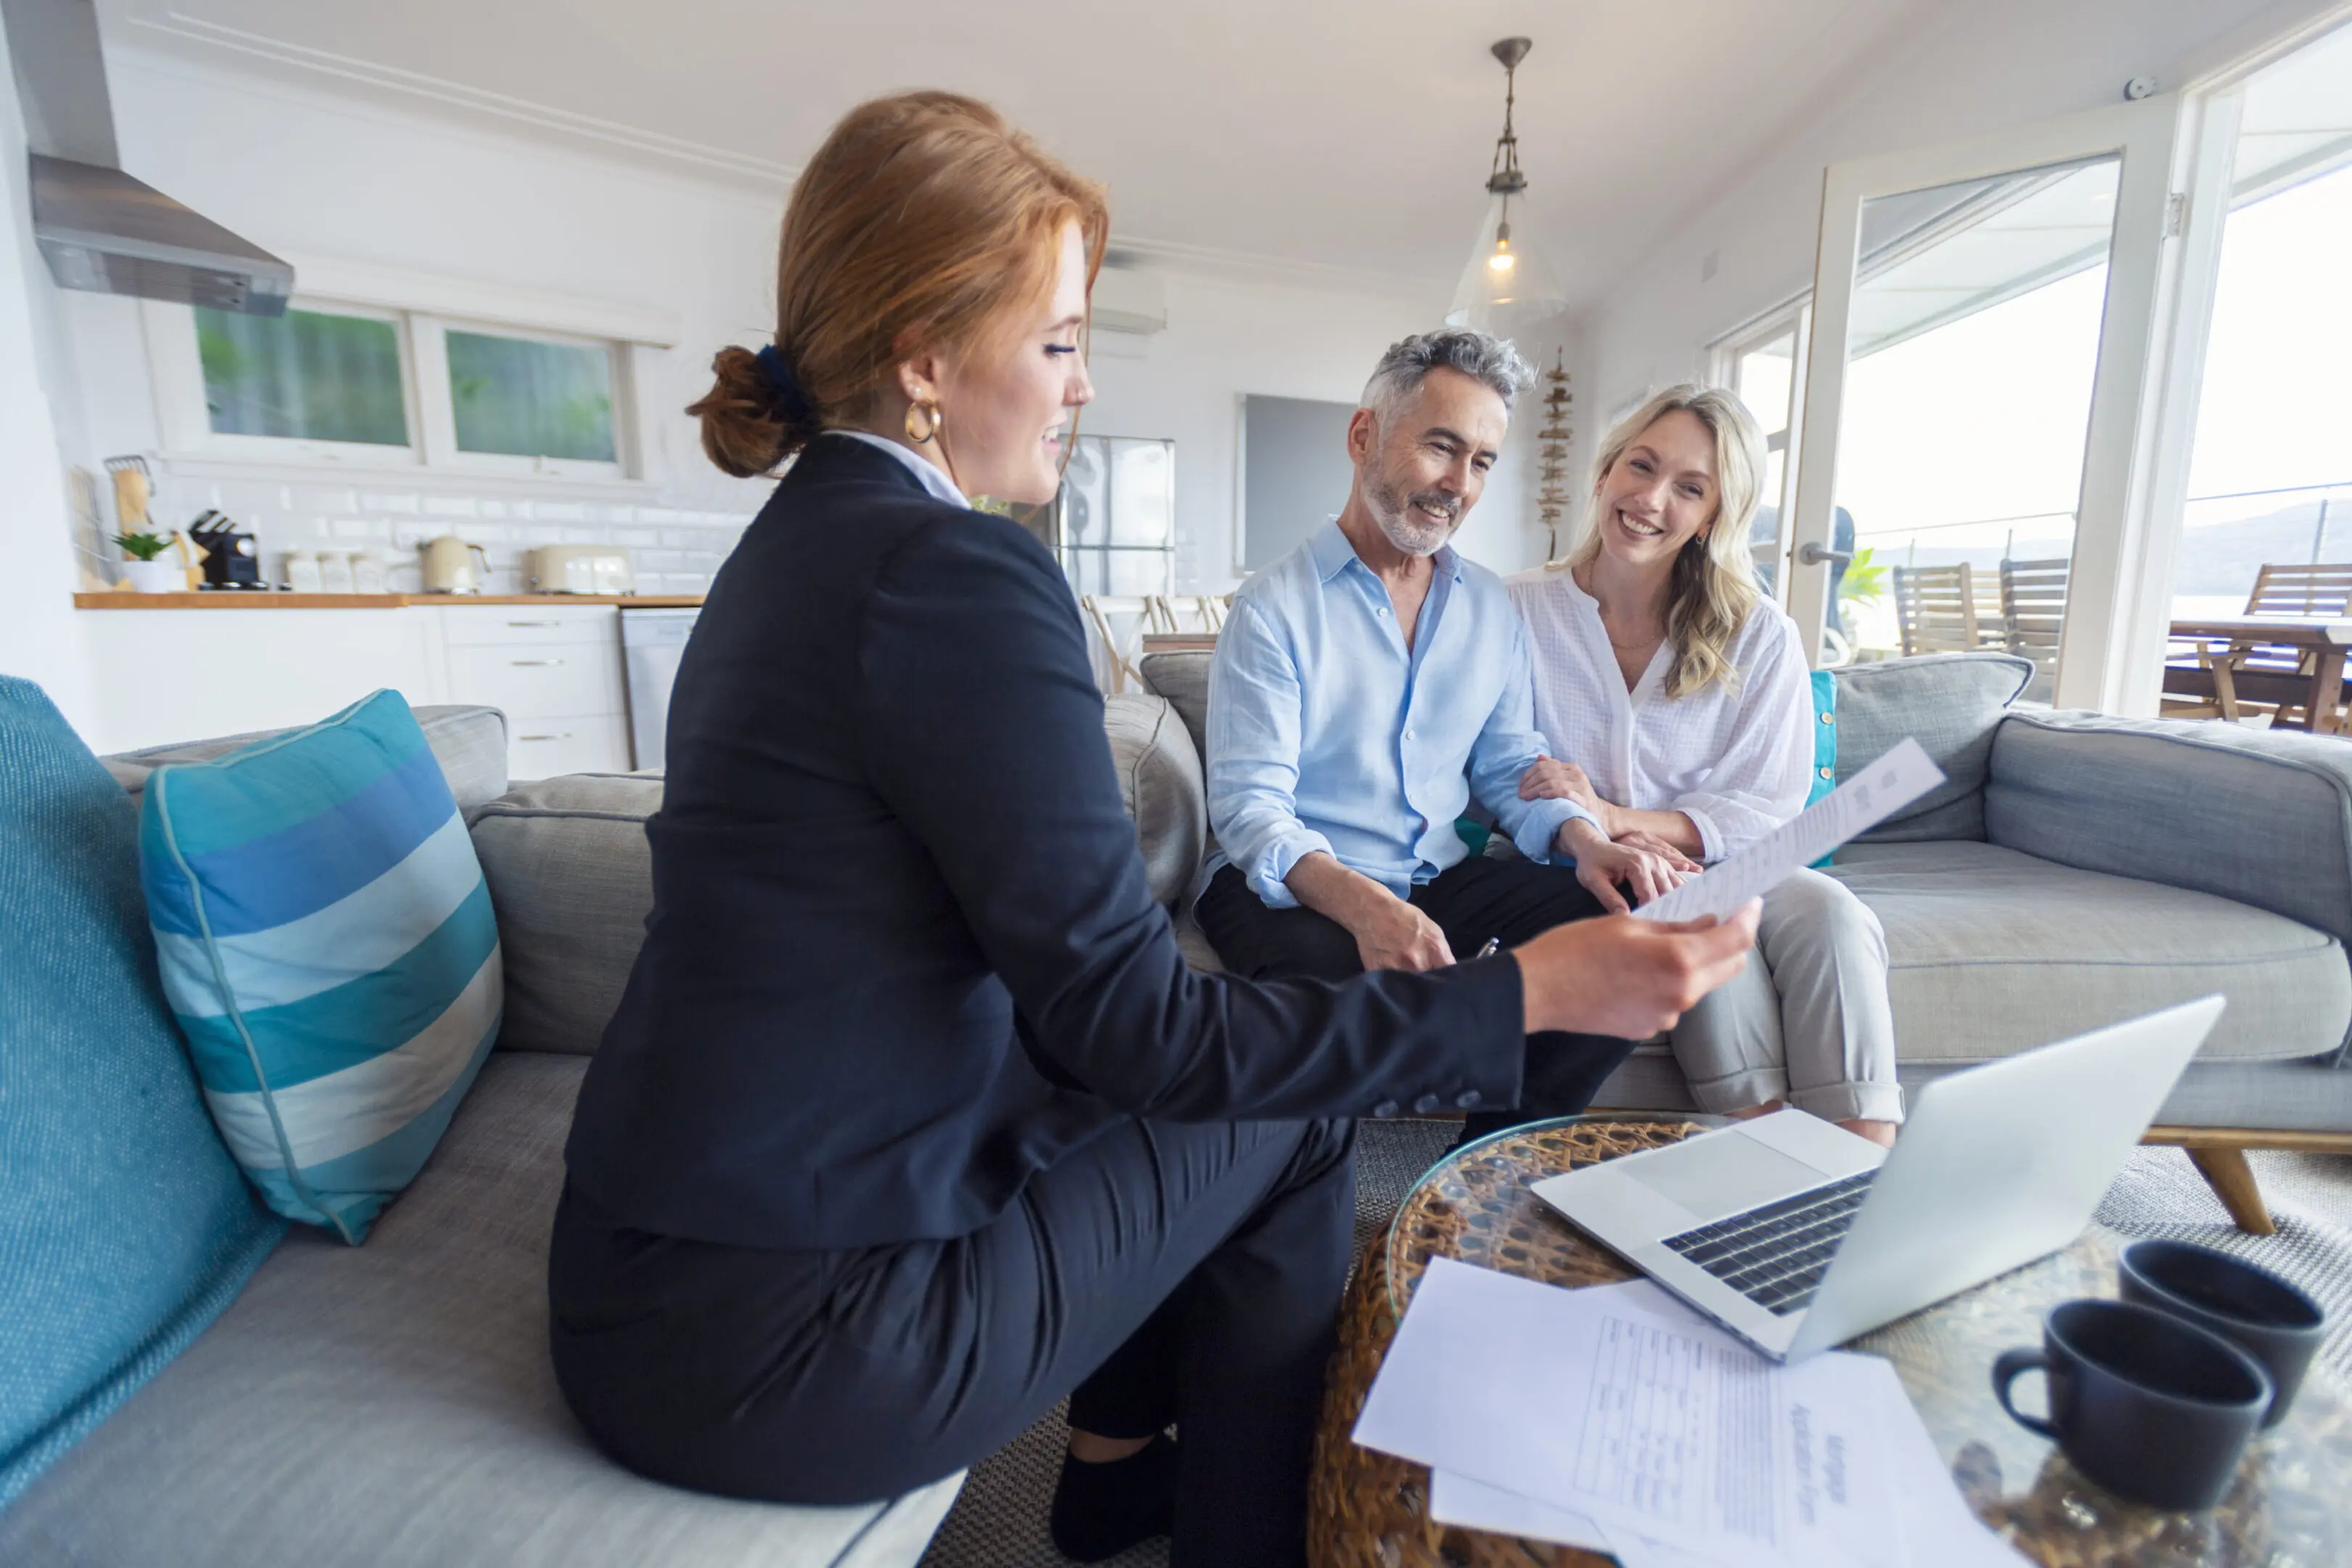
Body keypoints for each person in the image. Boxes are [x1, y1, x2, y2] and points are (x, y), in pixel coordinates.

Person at [547, 93, 1759, 1568]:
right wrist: (1526, 995)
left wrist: (1566, 860)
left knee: (1226, 1110)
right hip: (793, 1339)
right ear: (927, 360)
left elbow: (1057, 1002)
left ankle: (1130, 1481)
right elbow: (1143, 1029)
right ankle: (1231, 1535)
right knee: (1287, 1118)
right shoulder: (956, 576)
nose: (1078, 386)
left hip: (658, 1283)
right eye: (1059, 342)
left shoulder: (797, 546)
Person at [1192, 330, 1692, 1145]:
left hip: (1438, 877)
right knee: (1329, 1000)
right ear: (1364, 438)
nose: (1459, 484)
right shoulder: (1274, 607)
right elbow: (1253, 814)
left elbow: (1507, 765)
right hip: (1297, 881)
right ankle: (1304, 1203)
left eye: (1484, 461)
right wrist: (1370, 910)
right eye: (1441, 447)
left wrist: (1586, 839)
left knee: (1631, 921)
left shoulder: (1490, 607)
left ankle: (1490, 1166)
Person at [1508, 385, 1902, 1147]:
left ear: (1716, 515)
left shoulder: (1760, 632)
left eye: (1690, 488)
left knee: (1833, 912)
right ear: (1604, 471)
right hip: (1583, 865)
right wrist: (1603, 834)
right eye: (1641, 466)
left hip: (1742, 858)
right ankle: (1762, 1149)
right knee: (1689, 919)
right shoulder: (1516, 608)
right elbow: (1507, 766)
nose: (1651, 499)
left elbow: (1769, 804)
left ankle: (1862, 1175)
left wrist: (1628, 818)